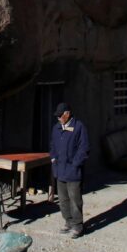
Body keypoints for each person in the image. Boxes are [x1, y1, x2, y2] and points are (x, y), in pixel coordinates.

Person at [49, 101, 89, 238]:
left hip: (73, 171)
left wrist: (75, 165)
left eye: (60, 116)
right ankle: (68, 221)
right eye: (57, 116)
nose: (58, 118)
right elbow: (53, 146)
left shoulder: (79, 127)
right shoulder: (56, 128)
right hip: (60, 170)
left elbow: (84, 148)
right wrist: (53, 159)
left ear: (67, 114)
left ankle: (78, 226)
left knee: (75, 200)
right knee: (63, 199)